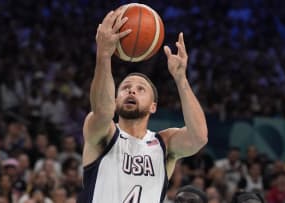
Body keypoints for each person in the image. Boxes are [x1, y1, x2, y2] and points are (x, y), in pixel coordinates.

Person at [78, 7, 208, 203]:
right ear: (115, 100)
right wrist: (104, 56)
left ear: (153, 106)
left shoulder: (164, 144)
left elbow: (199, 138)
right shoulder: (103, 132)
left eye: (140, 89)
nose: (131, 91)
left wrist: (181, 79)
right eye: (125, 88)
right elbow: (103, 112)